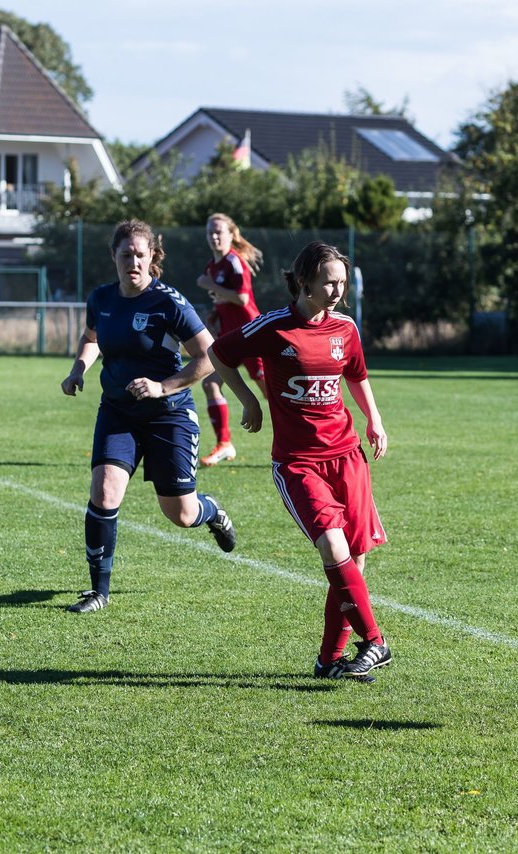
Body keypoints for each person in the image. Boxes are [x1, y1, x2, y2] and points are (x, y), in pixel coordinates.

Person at [208, 241, 391, 680]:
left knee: (353, 562)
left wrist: (374, 420)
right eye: (330, 281)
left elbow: (357, 375)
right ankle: (377, 642)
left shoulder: (345, 328)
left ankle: (330, 660)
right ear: (305, 280)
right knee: (333, 546)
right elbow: (219, 354)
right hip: (298, 462)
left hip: (347, 455)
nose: (337, 290)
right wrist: (250, 402)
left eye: (342, 282)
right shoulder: (273, 326)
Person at [60, 219, 236, 614]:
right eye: (126, 255)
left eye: (141, 255)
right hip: (118, 411)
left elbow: (212, 355)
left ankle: (213, 511)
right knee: (104, 491)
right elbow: (92, 339)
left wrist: (164, 386)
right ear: (114, 257)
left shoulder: (168, 302)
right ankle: (97, 591)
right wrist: (77, 370)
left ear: (153, 257)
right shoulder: (101, 299)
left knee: (181, 513)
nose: (133, 262)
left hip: (168, 416)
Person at [194, 213, 266, 467]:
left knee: (272, 394)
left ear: (230, 234)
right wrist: (213, 317)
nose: (214, 236)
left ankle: (300, 443)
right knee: (211, 383)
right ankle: (224, 443)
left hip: (251, 335)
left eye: (219, 232)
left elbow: (243, 299)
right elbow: (224, 303)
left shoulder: (235, 262)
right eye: (210, 232)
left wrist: (210, 284)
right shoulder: (212, 267)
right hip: (230, 339)